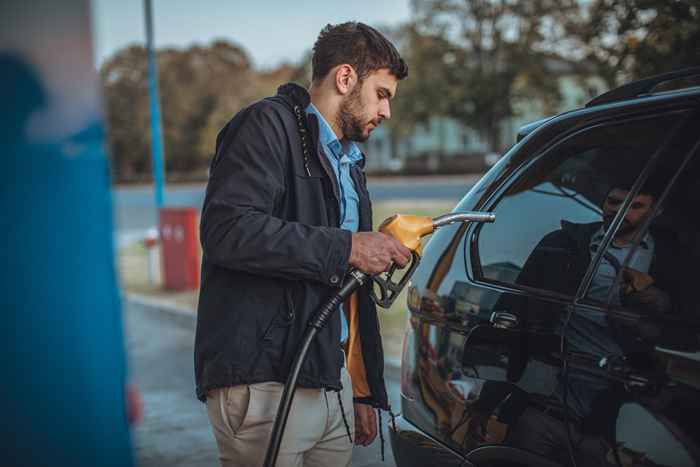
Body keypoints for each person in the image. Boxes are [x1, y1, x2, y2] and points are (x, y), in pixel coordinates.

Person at [194, 22, 410, 467]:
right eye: (383, 93)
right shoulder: (265, 126)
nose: (387, 111)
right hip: (267, 383)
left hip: (330, 382)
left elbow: (349, 290)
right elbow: (227, 231)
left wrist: (363, 388)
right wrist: (348, 246)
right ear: (345, 78)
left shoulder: (348, 161)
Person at [507, 179, 682, 466]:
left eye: (635, 206)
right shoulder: (564, 243)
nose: (620, 211)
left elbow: (678, 322)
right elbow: (516, 312)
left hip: (615, 417)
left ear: (656, 211)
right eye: (613, 202)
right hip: (546, 402)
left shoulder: (670, 259)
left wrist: (652, 296)